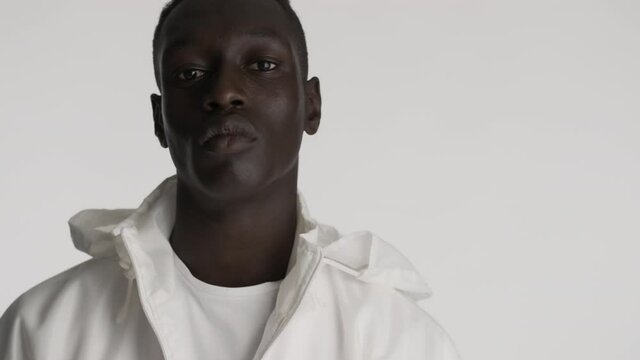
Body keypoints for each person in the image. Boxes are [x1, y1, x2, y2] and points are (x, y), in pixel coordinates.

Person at [0, 0, 462, 358]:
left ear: (311, 104)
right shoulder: (45, 331)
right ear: (160, 119)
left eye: (261, 65)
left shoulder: (398, 342)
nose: (223, 92)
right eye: (190, 73)